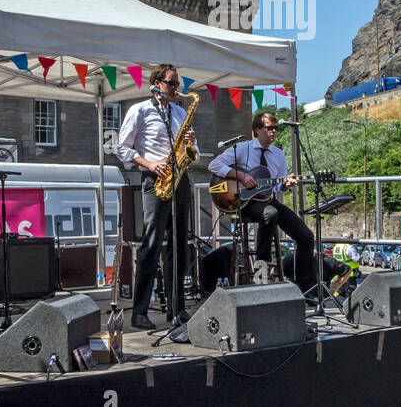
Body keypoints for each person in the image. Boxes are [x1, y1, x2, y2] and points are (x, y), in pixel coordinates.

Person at [207, 108, 319, 306]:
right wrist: (241, 176)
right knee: (271, 214)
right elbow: (214, 166)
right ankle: (261, 271)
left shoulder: (278, 154)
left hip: (267, 200)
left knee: (306, 237)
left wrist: (285, 185)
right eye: (269, 128)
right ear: (257, 130)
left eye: (275, 128)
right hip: (244, 202)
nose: (273, 132)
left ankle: (306, 288)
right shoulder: (242, 148)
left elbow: (277, 187)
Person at [118, 64, 198, 329]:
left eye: (178, 84)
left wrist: (190, 142)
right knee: (151, 245)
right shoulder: (139, 110)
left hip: (180, 178)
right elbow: (122, 148)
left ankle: (177, 308)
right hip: (155, 179)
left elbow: (191, 149)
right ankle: (139, 312)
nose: (177, 89)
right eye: (172, 83)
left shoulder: (178, 111)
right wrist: (150, 165)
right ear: (157, 84)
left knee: (179, 245)